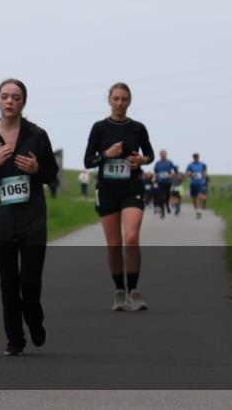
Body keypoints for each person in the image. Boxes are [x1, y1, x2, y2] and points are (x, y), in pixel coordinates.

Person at [0, 79, 59, 356]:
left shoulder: (37, 135)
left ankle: (34, 318)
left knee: (30, 282)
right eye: (5, 96)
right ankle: (14, 339)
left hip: (32, 220)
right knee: (8, 283)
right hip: (1, 223)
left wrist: (36, 168)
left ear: (23, 102)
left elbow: (51, 175)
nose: (10, 101)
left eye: (16, 97)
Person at [83, 82, 154, 312]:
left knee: (131, 237)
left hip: (132, 186)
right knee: (114, 244)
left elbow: (150, 154)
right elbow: (87, 161)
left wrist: (143, 161)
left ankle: (134, 291)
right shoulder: (99, 128)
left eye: (124, 99)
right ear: (109, 100)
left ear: (130, 100)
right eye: (116, 99)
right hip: (107, 190)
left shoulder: (138, 128)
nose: (120, 103)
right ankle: (119, 291)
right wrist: (106, 154)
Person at [154, 150, 177, 219]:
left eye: (164, 154)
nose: (163, 155)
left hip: (168, 182)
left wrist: (171, 174)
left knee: (167, 195)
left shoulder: (169, 162)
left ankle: (167, 205)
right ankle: (163, 212)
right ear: (160, 155)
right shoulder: (157, 163)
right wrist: (156, 176)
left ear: (166, 155)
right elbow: (155, 171)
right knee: (160, 197)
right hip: (160, 182)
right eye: (161, 154)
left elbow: (175, 170)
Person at [186, 153, 209, 219]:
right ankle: (197, 209)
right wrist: (190, 174)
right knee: (194, 198)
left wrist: (204, 177)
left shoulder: (203, 164)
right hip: (193, 183)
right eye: (194, 157)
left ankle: (199, 211)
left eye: (197, 157)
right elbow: (187, 173)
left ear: (199, 157)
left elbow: (204, 173)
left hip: (201, 183)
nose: (196, 158)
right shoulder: (190, 165)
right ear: (193, 158)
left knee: (199, 196)